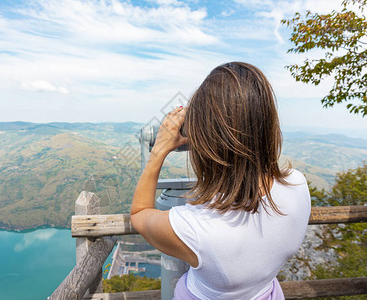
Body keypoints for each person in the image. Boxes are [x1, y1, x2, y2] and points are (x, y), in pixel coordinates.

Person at [130, 62, 311, 300]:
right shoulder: (297, 186)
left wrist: (159, 150)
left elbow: (139, 213)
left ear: (207, 142)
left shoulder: (198, 228)